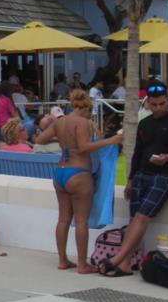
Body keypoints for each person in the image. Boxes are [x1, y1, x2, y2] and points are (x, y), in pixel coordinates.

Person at [98, 82, 168, 277]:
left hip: (166, 176)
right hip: (143, 174)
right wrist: (131, 180)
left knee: (141, 217)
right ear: (148, 103)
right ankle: (124, 264)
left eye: (162, 104)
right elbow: (137, 153)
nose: (158, 108)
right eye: (154, 104)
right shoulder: (145, 124)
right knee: (134, 219)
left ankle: (116, 259)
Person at [36, 89, 123, 273]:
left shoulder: (61, 122)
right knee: (81, 221)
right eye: (90, 112)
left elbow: (40, 139)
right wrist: (111, 140)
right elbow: (84, 147)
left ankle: (63, 261)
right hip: (79, 173)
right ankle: (82, 265)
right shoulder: (83, 122)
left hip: (60, 172)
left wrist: (61, 138)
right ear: (85, 109)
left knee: (63, 219)